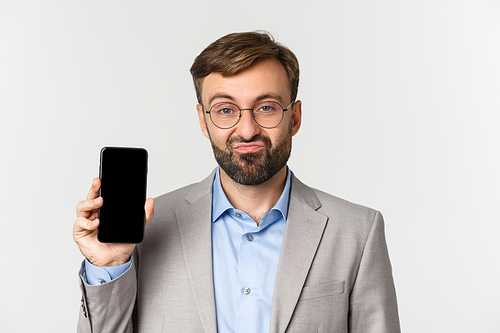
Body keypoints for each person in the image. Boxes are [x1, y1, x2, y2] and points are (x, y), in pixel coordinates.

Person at [74, 31, 401, 333]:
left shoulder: (358, 232)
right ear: (203, 121)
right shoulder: (145, 230)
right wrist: (111, 266)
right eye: (226, 110)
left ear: (295, 117)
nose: (247, 130)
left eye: (267, 107)